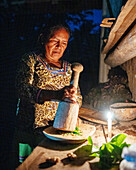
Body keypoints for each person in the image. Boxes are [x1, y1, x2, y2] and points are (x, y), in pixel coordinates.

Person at [14, 23, 82, 166]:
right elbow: (22, 89)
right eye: (55, 40)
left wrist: (75, 105)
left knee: (51, 164)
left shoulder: (69, 69)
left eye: (64, 43)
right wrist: (56, 95)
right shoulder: (31, 60)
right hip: (29, 131)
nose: (59, 46)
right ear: (43, 38)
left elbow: (79, 97)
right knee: (28, 165)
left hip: (56, 131)